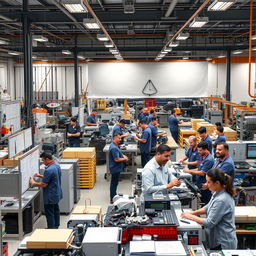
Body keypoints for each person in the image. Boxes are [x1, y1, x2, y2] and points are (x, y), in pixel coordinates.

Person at [181, 168, 237, 250]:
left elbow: (209, 222)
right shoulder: (217, 192)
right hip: (216, 240)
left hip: (223, 243)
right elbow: (207, 207)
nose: (206, 184)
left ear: (217, 183)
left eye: (208, 182)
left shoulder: (222, 199)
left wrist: (190, 217)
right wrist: (191, 213)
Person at [29, 151, 63, 229]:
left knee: (49, 213)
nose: (43, 162)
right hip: (56, 193)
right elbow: (51, 177)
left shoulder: (49, 170)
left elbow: (44, 184)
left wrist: (33, 182)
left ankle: (51, 229)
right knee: (56, 210)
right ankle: (56, 225)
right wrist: (40, 175)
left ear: (47, 159)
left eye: (43, 160)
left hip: (50, 196)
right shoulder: (56, 166)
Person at [109, 133, 129, 203]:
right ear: (114, 138)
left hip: (115, 167)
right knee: (114, 184)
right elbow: (116, 159)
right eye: (119, 138)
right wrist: (125, 159)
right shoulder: (114, 148)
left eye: (120, 138)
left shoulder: (115, 145)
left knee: (114, 183)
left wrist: (123, 155)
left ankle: (114, 195)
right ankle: (112, 198)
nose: (120, 140)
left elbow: (119, 153)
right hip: (115, 168)